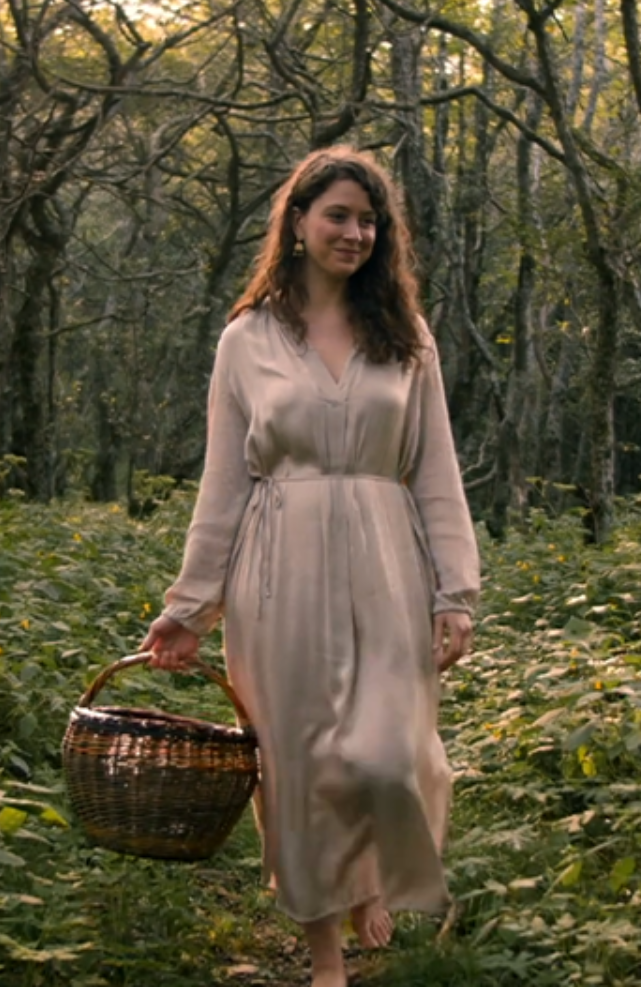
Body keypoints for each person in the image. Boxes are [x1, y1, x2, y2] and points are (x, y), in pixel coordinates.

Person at [139, 146, 479, 987]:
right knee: (300, 764)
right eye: (337, 215)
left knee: (390, 757)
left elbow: (436, 469)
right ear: (296, 223)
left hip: (386, 557)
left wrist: (456, 592)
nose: (355, 233)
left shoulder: (406, 338)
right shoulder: (247, 340)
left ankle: (371, 872)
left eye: (369, 221)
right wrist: (190, 605)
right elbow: (224, 481)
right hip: (276, 565)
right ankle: (326, 956)